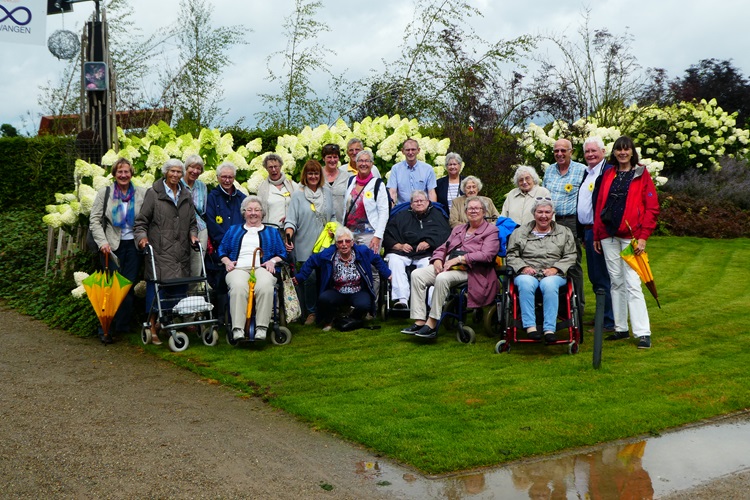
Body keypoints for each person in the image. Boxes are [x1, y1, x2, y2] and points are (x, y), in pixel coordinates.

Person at [593, 136, 659, 349]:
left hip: (631, 236)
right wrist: (597, 234)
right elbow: (600, 204)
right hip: (608, 235)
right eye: (619, 150)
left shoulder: (641, 174)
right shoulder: (608, 174)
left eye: (626, 149)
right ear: (614, 153)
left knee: (632, 283)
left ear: (632, 152)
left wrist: (643, 237)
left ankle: (642, 332)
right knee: (616, 281)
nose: (622, 153)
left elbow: (652, 208)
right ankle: (621, 328)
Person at [402, 196, 499, 339]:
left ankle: (432, 323)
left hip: (473, 270)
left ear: (484, 212)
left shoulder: (491, 231)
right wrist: (437, 259)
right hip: (449, 266)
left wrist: (459, 259)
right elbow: (443, 247)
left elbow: (487, 255)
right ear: (465, 212)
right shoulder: (459, 229)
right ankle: (420, 320)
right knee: (417, 274)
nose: (473, 211)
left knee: (442, 278)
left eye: (477, 208)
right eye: (470, 208)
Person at [134, 159, 199, 345]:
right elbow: (141, 222)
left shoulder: (186, 194)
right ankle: (152, 327)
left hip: (181, 254)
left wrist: (193, 236)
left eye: (179, 172)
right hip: (160, 252)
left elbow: (192, 223)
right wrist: (142, 239)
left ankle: (167, 325)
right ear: (165, 172)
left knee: (177, 293)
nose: (176, 175)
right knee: (158, 293)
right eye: (172, 171)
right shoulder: (153, 194)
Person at [89, 157, 146, 343]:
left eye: (127, 172)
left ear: (131, 174)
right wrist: (102, 242)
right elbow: (95, 220)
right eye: (120, 172)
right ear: (114, 174)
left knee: (127, 287)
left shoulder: (141, 193)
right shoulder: (105, 193)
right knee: (111, 289)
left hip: (134, 246)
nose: (123, 175)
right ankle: (105, 329)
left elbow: (147, 218)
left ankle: (122, 325)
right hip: (111, 247)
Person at [506, 198, 577, 343]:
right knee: (525, 283)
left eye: (547, 212)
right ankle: (530, 327)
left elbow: (571, 255)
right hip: (526, 272)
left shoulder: (564, 232)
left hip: (554, 273)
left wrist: (556, 268)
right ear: (534, 213)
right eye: (540, 212)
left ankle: (549, 329)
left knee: (549, 284)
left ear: (553, 214)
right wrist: (523, 267)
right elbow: (511, 254)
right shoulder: (520, 232)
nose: (543, 216)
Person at [294, 226, 391, 331]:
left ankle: (352, 319)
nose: (344, 244)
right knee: (324, 298)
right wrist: (300, 277)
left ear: (352, 243)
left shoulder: (362, 252)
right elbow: (312, 261)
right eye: (340, 242)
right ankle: (329, 320)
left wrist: (387, 274)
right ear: (336, 244)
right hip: (337, 290)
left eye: (347, 241)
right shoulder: (328, 254)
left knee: (365, 304)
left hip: (357, 290)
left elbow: (377, 259)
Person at [218, 196, 287, 341]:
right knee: (238, 286)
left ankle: (261, 328)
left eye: (257, 210)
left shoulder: (272, 232)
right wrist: (227, 262)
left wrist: (272, 261)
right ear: (244, 213)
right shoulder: (233, 230)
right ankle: (237, 329)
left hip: (262, 267)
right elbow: (222, 250)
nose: (253, 213)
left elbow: (282, 253)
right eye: (249, 210)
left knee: (265, 286)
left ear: (262, 213)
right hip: (238, 268)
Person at [285, 159, 336, 325]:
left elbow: (333, 216)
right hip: (305, 245)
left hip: (325, 245)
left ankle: (326, 312)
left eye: (316, 173)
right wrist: (288, 236)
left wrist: (334, 229)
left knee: (326, 276)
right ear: (305, 176)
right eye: (310, 173)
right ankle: (311, 312)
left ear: (320, 175)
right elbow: (291, 220)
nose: (313, 176)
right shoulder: (298, 196)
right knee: (310, 278)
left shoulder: (327, 193)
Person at [542, 138, 587, 322]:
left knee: (572, 263)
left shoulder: (581, 170)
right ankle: (559, 308)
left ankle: (578, 309)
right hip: (550, 221)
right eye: (556, 151)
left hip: (571, 222)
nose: (559, 154)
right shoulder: (549, 171)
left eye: (563, 150)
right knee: (551, 262)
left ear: (571, 151)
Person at [383, 190, 451, 309]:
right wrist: (399, 245)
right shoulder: (401, 216)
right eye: (416, 201)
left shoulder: (437, 215)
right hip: (403, 252)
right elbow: (387, 235)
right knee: (394, 260)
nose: (419, 203)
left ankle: (432, 302)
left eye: (422, 201)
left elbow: (445, 235)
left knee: (430, 265)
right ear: (411, 204)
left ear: (428, 202)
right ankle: (402, 299)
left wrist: (430, 242)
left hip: (426, 253)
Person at [578, 137, 615, 333]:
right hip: (588, 230)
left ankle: (609, 320)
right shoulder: (588, 173)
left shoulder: (607, 172)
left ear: (603, 152)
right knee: (595, 275)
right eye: (587, 151)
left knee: (602, 275)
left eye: (594, 151)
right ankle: (602, 314)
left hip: (599, 230)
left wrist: (600, 233)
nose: (590, 154)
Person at [343, 150, 389, 252]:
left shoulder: (377, 184)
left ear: (372, 164)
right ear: (356, 163)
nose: (364, 164)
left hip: (369, 235)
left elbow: (384, 212)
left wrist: (378, 236)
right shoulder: (351, 181)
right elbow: (345, 208)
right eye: (360, 161)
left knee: (368, 266)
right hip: (350, 235)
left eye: (367, 161)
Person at [386, 138, 437, 205]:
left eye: (413, 149)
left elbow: (431, 192)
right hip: (403, 209)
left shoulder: (428, 169)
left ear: (418, 150)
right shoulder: (396, 169)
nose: (410, 152)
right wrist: (391, 211)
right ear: (402, 151)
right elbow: (392, 192)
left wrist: (432, 211)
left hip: (422, 208)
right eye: (407, 150)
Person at [182, 154, 208, 277]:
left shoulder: (202, 186)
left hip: (200, 227)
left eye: (198, 169)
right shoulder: (178, 184)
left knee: (197, 263)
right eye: (192, 167)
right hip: (181, 227)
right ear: (186, 168)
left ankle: (193, 293)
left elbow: (203, 210)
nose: (195, 171)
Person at [256, 153, 297, 228]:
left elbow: (299, 206)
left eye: (276, 166)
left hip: (289, 229)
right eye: (270, 167)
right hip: (270, 229)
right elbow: (258, 210)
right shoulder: (262, 189)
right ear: (266, 169)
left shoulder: (292, 185)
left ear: (280, 167)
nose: (274, 170)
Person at [321, 143, 351, 222]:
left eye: (335, 157)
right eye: (329, 157)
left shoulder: (346, 177)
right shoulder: (317, 175)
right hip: (320, 225)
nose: (332, 160)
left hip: (340, 224)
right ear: (323, 158)